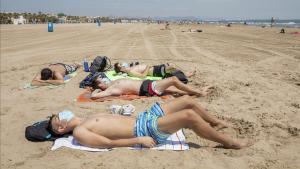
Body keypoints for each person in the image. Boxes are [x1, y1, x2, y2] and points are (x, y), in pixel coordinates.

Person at [47, 96, 253, 149]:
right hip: (145, 129)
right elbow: (107, 143)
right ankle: (229, 142)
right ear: (61, 127)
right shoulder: (80, 132)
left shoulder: (85, 118)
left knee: (188, 101)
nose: (62, 113)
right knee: (189, 116)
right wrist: (138, 140)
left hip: (144, 117)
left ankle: (215, 123)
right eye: (58, 117)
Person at [91, 76, 211, 98]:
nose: (104, 79)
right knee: (173, 80)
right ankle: (200, 93)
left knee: (174, 89)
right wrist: (96, 89)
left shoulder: (112, 82)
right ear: (100, 85)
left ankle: (197, 91)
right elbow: (94, 97)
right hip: (148, 88)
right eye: (101, 80)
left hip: (148, 84)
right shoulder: (110, 89)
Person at [114, 62, 195, 78]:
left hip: (156, 68)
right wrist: (147, 67)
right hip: (155, 72)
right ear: (121, 69)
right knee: (172, 66)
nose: (122, 64)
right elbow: (143, 76)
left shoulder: (130, 68)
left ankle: (184, 73)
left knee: (171, 65)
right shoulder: (130, 72)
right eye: (121, 65)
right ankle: (186, 74)